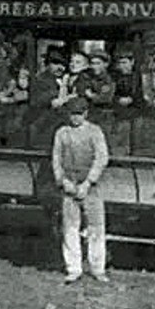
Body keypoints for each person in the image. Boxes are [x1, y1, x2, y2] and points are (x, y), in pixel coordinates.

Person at [51, 96, 110, 284]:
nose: (75, 118)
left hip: (91, 186)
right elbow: (56, 159)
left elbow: (101, 158)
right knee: (70, 227)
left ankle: (97, 268)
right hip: (69, 184)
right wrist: (63, 181)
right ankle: (73, 269)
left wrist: (88, 183)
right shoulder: (62, 132)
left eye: (78, 114)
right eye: (72, 114)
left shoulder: (94, 131)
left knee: (96, 227)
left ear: (85, 113)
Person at [28, 48, 72, 149]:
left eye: (63, 65)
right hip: (44, 125)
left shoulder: (67, 80)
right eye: (56, 64)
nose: (60, 67)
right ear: (47, 64)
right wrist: (57, 95)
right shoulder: (40, 80)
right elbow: (36, 101)